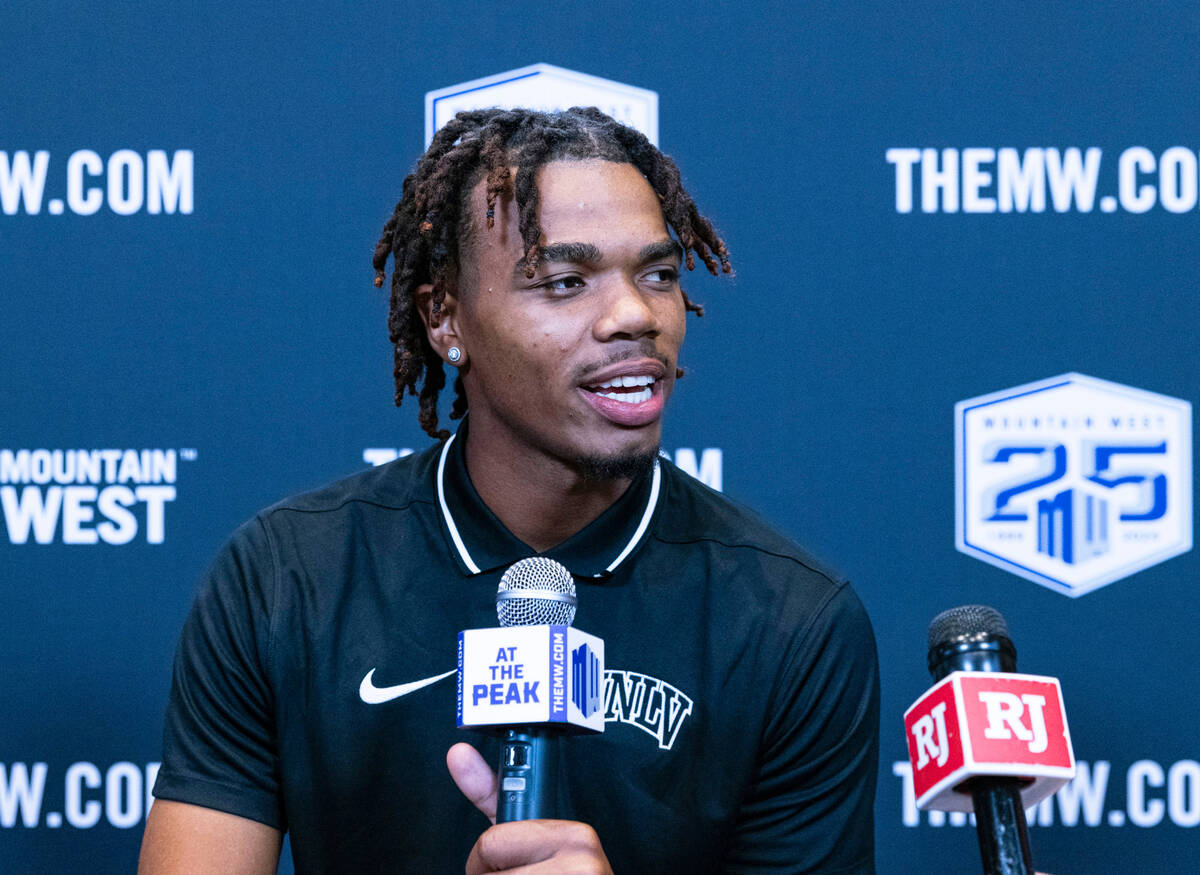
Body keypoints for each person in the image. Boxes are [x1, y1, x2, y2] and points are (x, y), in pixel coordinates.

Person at [139, 107, 879, 874]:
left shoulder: (794, 621)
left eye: (657, 274)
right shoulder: (284, 580)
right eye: (564, 281)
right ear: (445, 318)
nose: (636, 315)